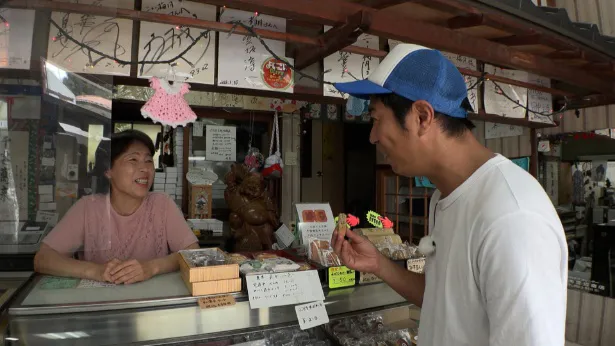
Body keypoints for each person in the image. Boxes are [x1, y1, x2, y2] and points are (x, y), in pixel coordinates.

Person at [331, 44, 567, 346]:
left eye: (376, 119)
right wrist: (379, 264)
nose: (372, 136)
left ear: (422, 117)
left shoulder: (512, 217)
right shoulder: (443, 198)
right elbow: (443, 300)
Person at [34, 130, 199, 284]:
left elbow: (193, 253)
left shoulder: (162, 205)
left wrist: (151, 267)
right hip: (100, 307)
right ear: (108, 171)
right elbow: (43, 259)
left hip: (150, 308)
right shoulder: (88, 208)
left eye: (148, 160)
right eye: (133, 160)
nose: (145, 168)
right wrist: (97, 271)